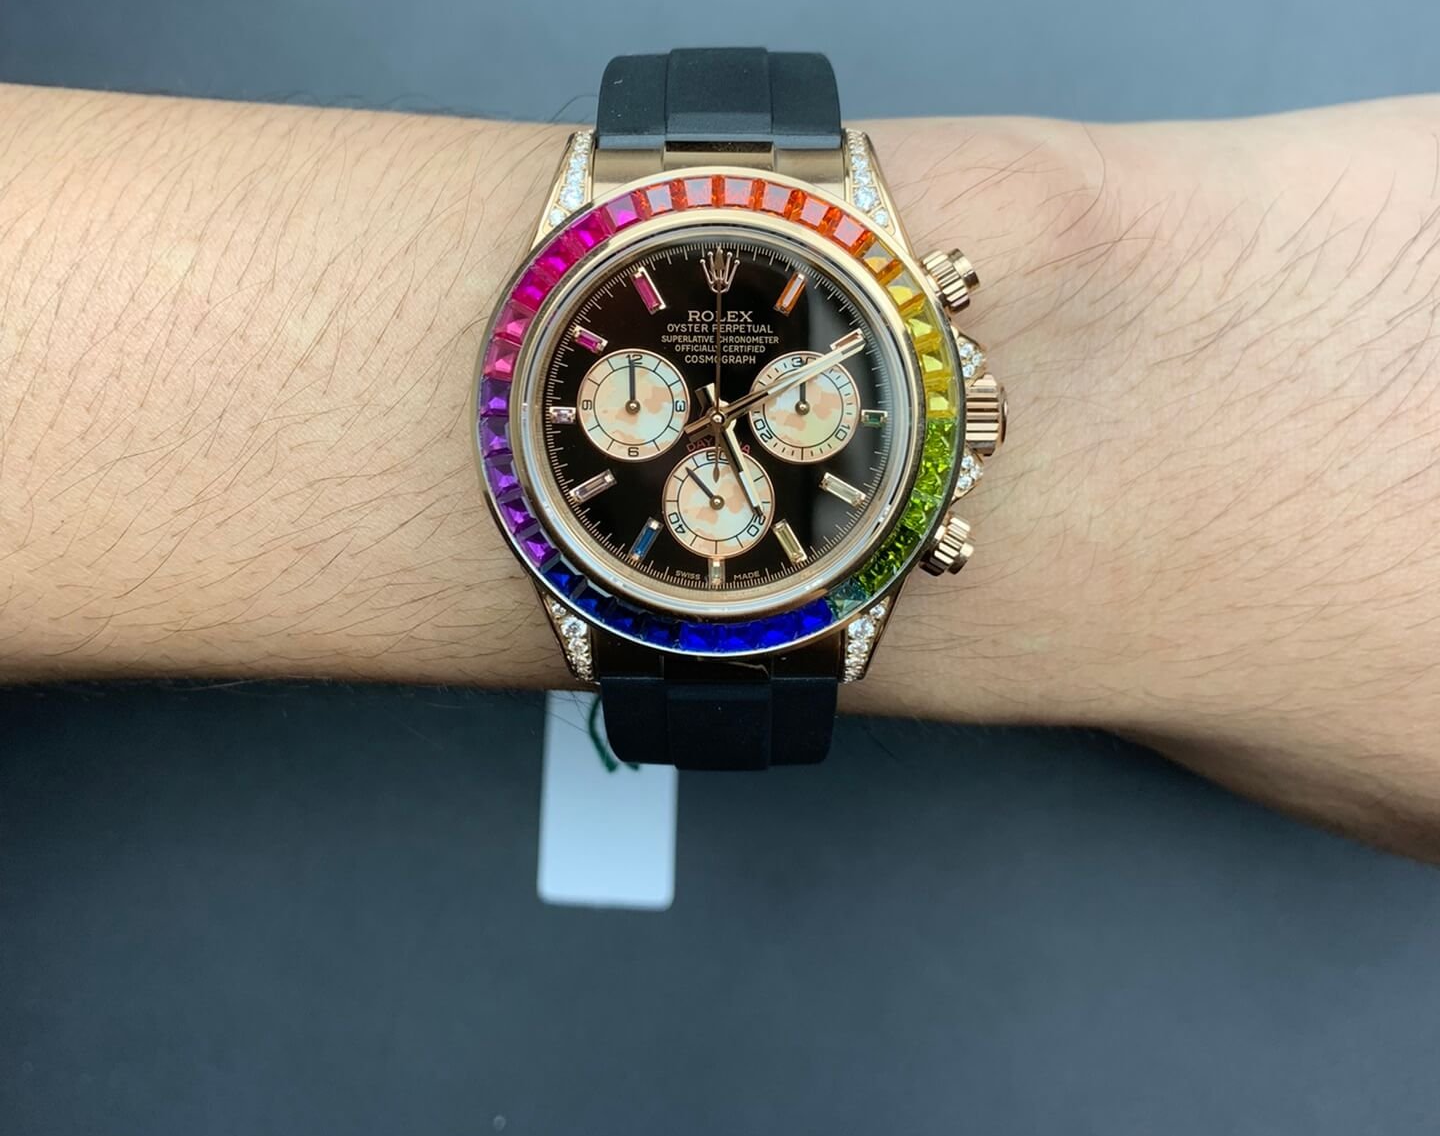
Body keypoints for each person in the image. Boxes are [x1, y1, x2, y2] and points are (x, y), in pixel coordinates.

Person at [2, 81, 1436, 861]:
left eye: (782, 405)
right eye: (657, 402)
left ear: (958, 435)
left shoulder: (872, 425)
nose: (706, 427)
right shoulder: (651, 393)